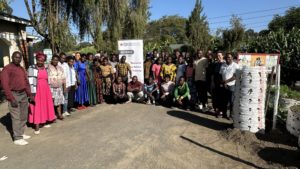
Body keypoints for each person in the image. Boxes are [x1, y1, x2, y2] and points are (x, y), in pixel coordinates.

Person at [0, 51, 34, 145]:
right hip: (13, 94)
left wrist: (30, 95)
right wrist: (11, 98)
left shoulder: (21, 69)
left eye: (19, 58)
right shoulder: (7, 69)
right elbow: (5, 85)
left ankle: (21, 133)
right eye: (15, 57)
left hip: (23, 94)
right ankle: (17, 138)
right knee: (16, 117)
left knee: (23, 115)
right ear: (12, 57)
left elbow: (26, 82)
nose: (17, 59)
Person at [28, 53, 56, 135]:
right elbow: (30, 82)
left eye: (42, 60)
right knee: (36, 106)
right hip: (36, 90)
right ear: (36, 60)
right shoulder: (32, 68)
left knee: (44, 105)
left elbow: (48, 81)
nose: (40, 62)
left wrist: (51, 92)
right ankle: (36, 125)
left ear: (44, 61)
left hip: (45, 89)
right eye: (39, 60)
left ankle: (43, 121)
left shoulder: (46, 68)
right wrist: (32, 94)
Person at [219, 53, 239, 119]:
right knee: (224, 100)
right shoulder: (223, 65)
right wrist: (223, 82)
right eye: (227, 57)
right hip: (223, 85)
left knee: (231, 101)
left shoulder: (235, 66)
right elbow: (220, 74)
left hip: (231, 85)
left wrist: (226, 82)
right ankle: (224, 114)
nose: (228, 58)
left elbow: (235, 76)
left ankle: (231, 115)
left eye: (229, 57)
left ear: (232, 58)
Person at [48, 54, 66, 120]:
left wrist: (64, 87)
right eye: (54, 60)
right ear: (52, 60)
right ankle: (52, 115)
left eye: (56, 60)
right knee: (52, 102)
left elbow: (63, 78)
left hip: (59, 87)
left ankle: (59, 114)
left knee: (59, 102)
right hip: (51, 87)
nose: (55, 61)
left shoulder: (60, 68)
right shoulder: (48, 67)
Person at [212, 52, 225, 117]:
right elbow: (213, 75)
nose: (218, 57)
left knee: (222, 98)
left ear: (223, 56)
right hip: (215, 83)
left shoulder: (225, 64)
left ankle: (221, 112)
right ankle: (217, 111)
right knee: (216, 98)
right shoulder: (215, 64)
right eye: (217, 55)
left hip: (223, 83)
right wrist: (213, 83)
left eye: (219, 55)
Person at [59, 52, 71, 117]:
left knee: (66, 98)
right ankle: (59, 112)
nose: (63, 59)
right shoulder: (57, 64)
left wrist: (68, 84)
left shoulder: (66, 65)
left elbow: (68, 75)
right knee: (60, 99)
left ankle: (65, 111)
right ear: (59, 57)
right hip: (59, 84)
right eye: (62, 58)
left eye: (64, 58)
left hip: (66, 84)